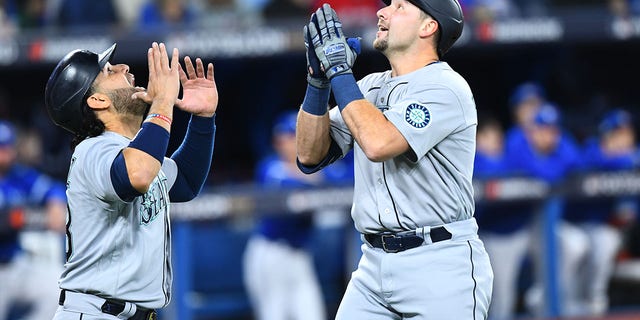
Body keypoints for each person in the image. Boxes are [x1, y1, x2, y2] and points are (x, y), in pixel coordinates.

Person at [296, 2, 493, 319]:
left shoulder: (445, 87)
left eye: (399, 7)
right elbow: (309, 155)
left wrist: (340, 73)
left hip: (440, 263)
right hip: (372, 264)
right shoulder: (370, 86)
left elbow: (378, 142)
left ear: (428, 27)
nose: (382, 12)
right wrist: (318, 83)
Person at [44, 42, 218, 319]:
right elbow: (136, 177)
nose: (124, 67)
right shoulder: (93, 150)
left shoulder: (133, 151)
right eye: (109, 70)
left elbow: (184, 181)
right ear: (98, 101)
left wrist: (203, 119)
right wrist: (162, 102)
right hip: (96, 313)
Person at [243, 111, 330, 320]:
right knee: (273, 314)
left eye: (294, 136)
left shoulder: (317, 171)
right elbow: (292, 184)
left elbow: (344, 178)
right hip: (271, 255)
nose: (289, 143)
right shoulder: (270, 168)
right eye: (286, 137)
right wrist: (317, 179)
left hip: (300, 257)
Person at [564, 109, 639, 315]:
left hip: (598, 227)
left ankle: (593, 302)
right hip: (569, 223)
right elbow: (595, 160)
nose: (623, 139)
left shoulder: (632, 158)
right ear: (605, 136)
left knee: (607, 242)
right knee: (576, 246)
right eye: (617, 134)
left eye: (627, 133)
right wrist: (626, 159)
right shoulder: (590, 151)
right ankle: (565, 302)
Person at [0, 120, 67, 320]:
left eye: (6, 147)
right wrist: (36, 218)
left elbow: (54, 188)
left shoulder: (18, 176)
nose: (4, 153)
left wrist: (55, 203)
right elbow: (4, 223)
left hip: (14, 265)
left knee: (57, 288)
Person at [473, 114, 533, 320]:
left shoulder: (509, 156)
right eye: (487, 136)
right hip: (488, 236)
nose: (494, 141)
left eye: (497, 136)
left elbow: (534, 170)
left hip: (519, 231)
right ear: (477, 139)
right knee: (498, 294)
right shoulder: (472, 161)